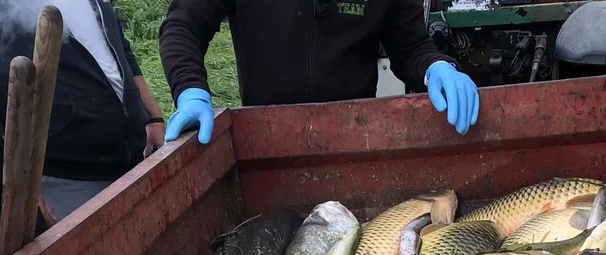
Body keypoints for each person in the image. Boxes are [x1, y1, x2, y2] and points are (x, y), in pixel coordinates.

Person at [159, 0, 480, 144]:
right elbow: (183, 26)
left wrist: (437, 67)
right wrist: (190, 90)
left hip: (356, 140)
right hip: (265, 142)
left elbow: (411, 47)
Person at [0, 0, 166, 223]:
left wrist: (153, 116)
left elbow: (120, 47)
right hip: (67, 177)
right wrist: (17, 180)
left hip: (137, 157)